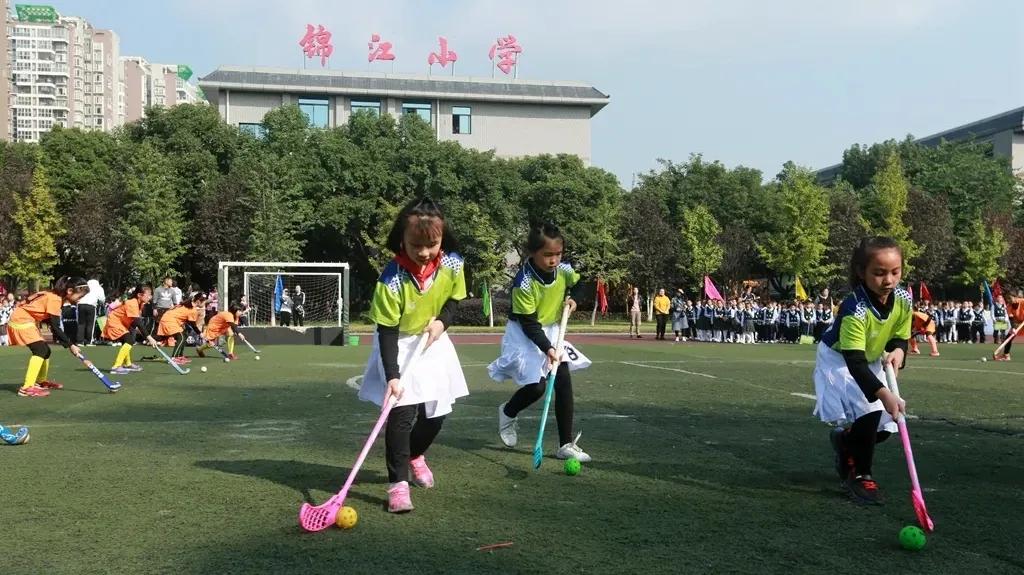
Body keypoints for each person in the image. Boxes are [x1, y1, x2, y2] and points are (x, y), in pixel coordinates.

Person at [358, 197, 468, 514]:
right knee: (401, 414)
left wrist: (442, 323)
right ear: (401, 240)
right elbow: (387, 332)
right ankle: (398, 484)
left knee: (437, 415)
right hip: (401, 345)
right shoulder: (390, 281)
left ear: (441, 240)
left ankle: (416, 454)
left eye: (431, 245)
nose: (423, 253)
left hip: (433, 341)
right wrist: (392, 375)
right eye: (415, 244)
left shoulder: (452, 264)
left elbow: (454, 301)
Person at [814, 237, 911, 505]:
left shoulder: (903, 298)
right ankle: (860, 476)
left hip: (868, 359)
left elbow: (899, 337)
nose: (889, 280)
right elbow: (854, 362)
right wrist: (884, 394)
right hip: (840, 359)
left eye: (895, 272)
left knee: (883, 428)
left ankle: (846, 441)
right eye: (879, 273)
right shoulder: (854, 308)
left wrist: (899, 351)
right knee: (872, 412)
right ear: (861, 272)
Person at [491, 221, 592, 465]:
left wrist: (574, 300)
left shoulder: (565, 270)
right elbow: (529, 324)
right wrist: (547, 348)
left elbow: (582, 283)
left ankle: (565, 444)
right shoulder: (524, 282)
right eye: (547, 254)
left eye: (558, 254)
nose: (553, 260)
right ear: (532, 253)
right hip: (524, 333)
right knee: (537, 387)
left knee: (563, 379)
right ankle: (508, 411)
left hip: (553, 328)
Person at [7, 276, 88, 397]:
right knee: (40, 350)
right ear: (70, 291)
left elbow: (51, 323)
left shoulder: (52, 295)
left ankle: (40, 381)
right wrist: (70, 345)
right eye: (80, 296)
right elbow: (55, 326)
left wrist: (68, 344)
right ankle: (27, 388)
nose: (80, 300)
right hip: (21, 320)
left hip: (24, 319)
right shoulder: (55, 299)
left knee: (46, 351)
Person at [103, 284, 160, 374]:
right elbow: (138, 322)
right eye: (148, 294)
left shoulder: (140, 304)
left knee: (129, 341)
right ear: (139, 295)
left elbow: (134, 320)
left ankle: (128, 364)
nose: (150, 297)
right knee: (129, 340)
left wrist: (141, 333)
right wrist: (149, 338)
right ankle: (116, 366)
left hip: (123, 323)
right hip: (115, 322)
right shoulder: (132, 303)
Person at [157, 293, 207, 364]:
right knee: (181, 337)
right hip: (169, 320)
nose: (204, 304)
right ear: (198, 301)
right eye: (204, 302)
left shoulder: (187, 304)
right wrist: (200, 333)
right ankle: (174, 358)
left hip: (170, 319)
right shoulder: (192, 310)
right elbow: (193, 324)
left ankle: (179, 356)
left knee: (184, 335)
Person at [76, 279, 104, 345]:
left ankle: (80, 341)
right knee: (90, 324)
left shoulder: (84, 286)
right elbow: (102, 299)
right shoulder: (99, 288)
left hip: (81, 305)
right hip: (91, 306)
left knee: (81, 323)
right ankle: (89, 341)